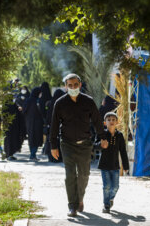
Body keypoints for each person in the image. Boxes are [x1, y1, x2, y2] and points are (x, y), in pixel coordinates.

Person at [50, 73, 108, 217]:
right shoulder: (60, 103)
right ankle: (72, 206)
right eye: (70, 85)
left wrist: (103, 138)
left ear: (80, 85)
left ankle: (80, 198)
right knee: (70, 175)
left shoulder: (88, 101)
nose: (73, 87)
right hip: (67, 144)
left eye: (75, 85)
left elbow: (97, 121)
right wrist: (53, 145)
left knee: (83, 175)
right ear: (65, 86)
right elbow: (54, 125)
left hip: (85, 144)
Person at [96, 112, 129, 213]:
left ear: (117, 122)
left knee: (115, 187)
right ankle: (106, 205)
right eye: (109, 120)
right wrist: (101, 145)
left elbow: (123, 151)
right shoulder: (103, 134)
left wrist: (126, 165)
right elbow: (95, 145)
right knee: (106, 186)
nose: (111, 121)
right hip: (104, 165)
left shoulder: (119, 136)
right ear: (105, 123)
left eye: (113, 120)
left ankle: (110, 199)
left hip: (115, 166)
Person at [44, 88, 65, 162]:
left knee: (51, 141)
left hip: (51, 126)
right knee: (58, 142)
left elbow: (47, 116)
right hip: (58, 125)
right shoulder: (61, 104)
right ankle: (58, 158)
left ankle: (51, 157)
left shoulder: (50, 103)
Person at [23, 87, 43, 161]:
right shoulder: (38, 101)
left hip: (29, 123)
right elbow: (42, 112)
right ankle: (33, 155)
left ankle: (32, 154)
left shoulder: (27, 100)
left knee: (31, 138)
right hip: (37, 123)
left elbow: (24, 111)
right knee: (36, 138)